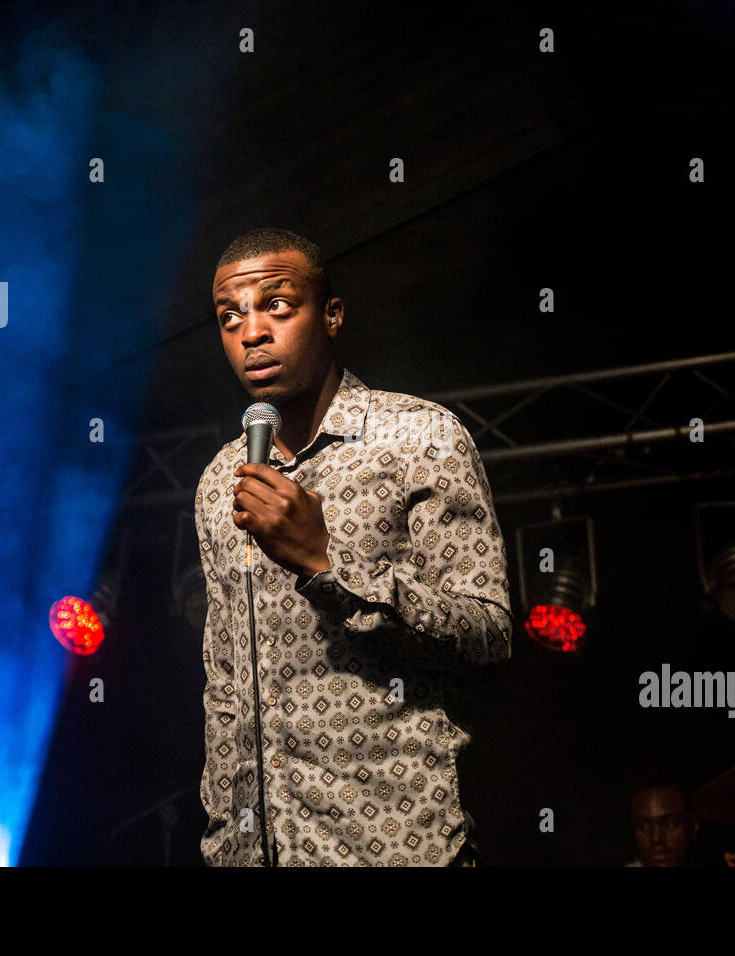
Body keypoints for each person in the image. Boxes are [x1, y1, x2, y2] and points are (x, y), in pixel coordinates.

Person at [193, 227, 513, 866]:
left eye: (277, 306)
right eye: (231, 316)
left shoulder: (419, 438)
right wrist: (225, 841)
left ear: (331, 315)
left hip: (397, 844)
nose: (251, 332)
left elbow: (489, 634)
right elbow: (224, 684)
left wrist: (327, 567)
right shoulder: (216, 482)